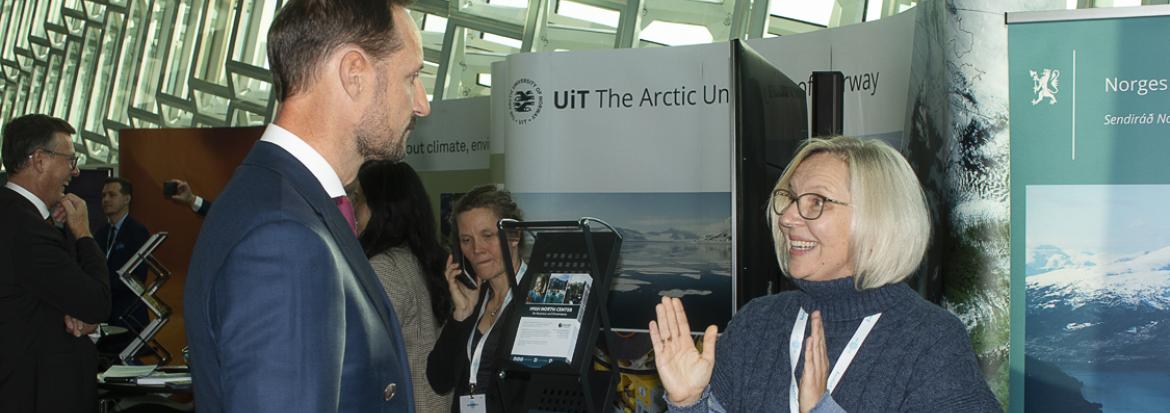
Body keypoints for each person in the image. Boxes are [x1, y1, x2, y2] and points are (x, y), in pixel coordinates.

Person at [183, 0, 431, 410]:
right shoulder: (282, 237)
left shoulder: (286, 203)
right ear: (354, 74)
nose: (422, 103)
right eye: (412, 77)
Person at [650, 137, 1000, 413]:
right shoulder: (757, 323)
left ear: (877, 217)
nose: (787, 217)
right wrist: (689, 402)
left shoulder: (930, 339)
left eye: (816, 201)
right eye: (788, 197)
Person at [0, 114, 111, 412]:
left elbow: (46, 291)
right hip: (35, 394)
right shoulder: (25, 227)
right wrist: (84, 234)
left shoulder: (19, 218)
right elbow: (96, 301)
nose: (74, 172)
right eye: (70, 160)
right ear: (39, 160)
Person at [352, 160, 454, 413]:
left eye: (359, 199)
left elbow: (363, 357)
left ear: (382, 208)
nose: (354, 210)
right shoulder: (428, 259)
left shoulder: (383, 268)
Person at [427, 185, 525, 413]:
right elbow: (439, 380)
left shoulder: (538, 299)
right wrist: (460, 317)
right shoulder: (474, 299)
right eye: (466, 240)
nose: (477, 249)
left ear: (514, 235)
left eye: (487, 235)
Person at [95, 177, 151, 353]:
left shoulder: (137, 232)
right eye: (103, 195)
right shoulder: (100, 234)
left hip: (128, 315)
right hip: (104, 315)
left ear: (127, 199)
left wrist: (103, 287)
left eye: (112, 195)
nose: (106, 199)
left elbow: (137, 275)